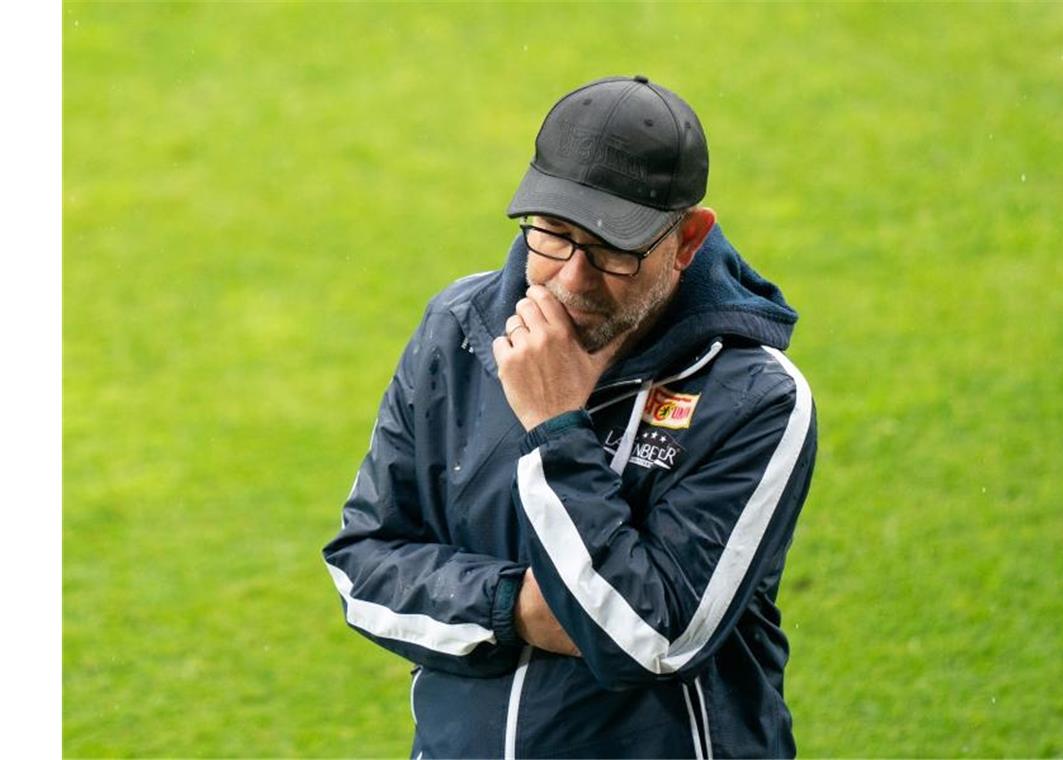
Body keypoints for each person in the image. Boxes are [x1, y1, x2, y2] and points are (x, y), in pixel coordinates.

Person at [322, 74, 818, 759]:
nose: (573, 279)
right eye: (553, 235)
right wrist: (516, 608)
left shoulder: (754, 400)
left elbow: (649, 639)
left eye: (614, 249)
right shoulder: (456, 331)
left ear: (688, 239)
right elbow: (362, 567)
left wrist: (556, 427)